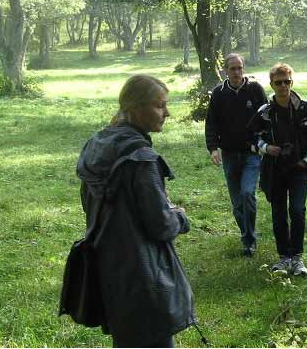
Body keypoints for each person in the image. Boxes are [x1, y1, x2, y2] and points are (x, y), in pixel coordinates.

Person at [76, 75, 196, 347]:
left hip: (108, 265)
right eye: (159, 106)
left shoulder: (96, 144)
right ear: (135, 107)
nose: (167, 113)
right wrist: (179, 215)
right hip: (144, 274)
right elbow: (161, 225)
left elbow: (88, 204)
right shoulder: (141, 160)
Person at [247, 63, 307, 276]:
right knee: (279, 214)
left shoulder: (305, 108)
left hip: (299, 170)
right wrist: (266, 148)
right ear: (271, 84)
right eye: (278, 82)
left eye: (286, 82)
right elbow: (251, 137)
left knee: (297, 211)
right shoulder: (265, 112)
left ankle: (297, 258)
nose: (283, 86)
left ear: (292, 82)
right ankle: (284, 258)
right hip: (274, 170)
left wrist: (306, 161)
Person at [204, 53, 268, 257]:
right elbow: (211, 123)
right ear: (225, 70)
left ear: (244, 69)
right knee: (237, 204)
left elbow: (267, 117)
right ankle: (246, 233)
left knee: (248, 193)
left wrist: (265, 144)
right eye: (232, 68)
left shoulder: (255, 89)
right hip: (230, 155)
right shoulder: (219, 93)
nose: (237, 72)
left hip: (251, 154)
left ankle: (249, 241)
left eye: (239, 68)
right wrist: (213, 148)